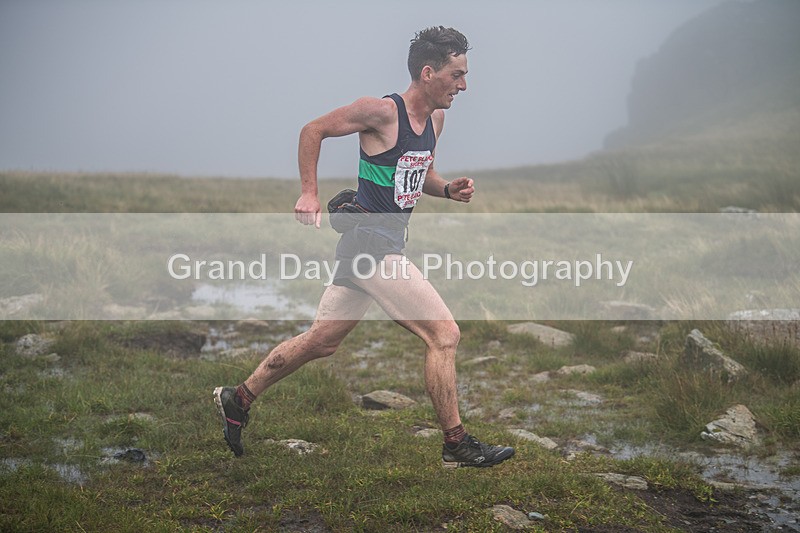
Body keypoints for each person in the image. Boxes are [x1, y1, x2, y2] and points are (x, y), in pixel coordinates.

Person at [214, 26, 514, 469]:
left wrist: (447, 188)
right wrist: (309, 193)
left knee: (322, 341)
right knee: (444, 334)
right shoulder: (379, 112)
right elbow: (312, 130)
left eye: (465, 75)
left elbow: (416, 174)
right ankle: (456, 444)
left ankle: (238, 397)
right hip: (370, 246)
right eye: (457, 75)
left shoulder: (435, 121)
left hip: (378, 244)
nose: (464, 85)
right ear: (428, 73)